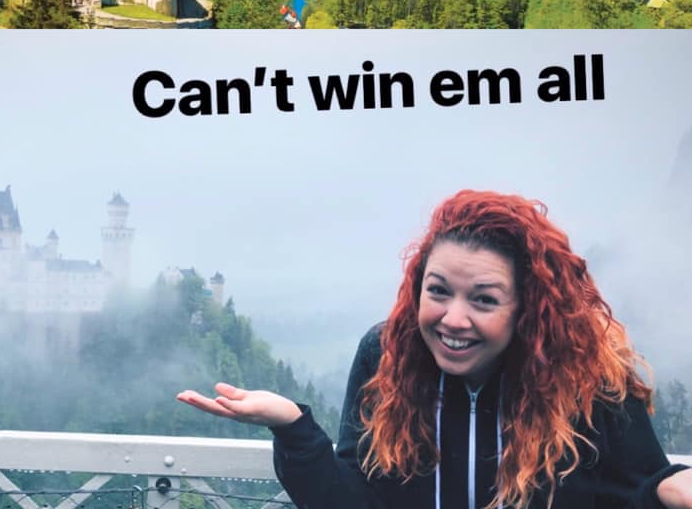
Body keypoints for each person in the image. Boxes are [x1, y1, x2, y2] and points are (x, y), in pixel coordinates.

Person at [178, 190, 692, 508]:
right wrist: (292, 428)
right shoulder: (386, 355)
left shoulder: (588, 373)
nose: (453, 319)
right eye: (439, 290)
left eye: (484, 300)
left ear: (528, 309)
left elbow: (634, 489)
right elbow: (354, 500)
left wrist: (669, 486)